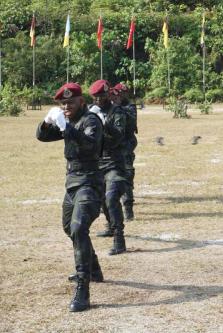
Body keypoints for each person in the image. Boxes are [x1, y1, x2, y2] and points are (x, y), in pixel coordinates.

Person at [36, 83, 104, 312]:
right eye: (63, 103)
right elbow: (43, 137)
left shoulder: (91, 121)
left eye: (71, 102)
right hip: (72, 184)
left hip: (90, 184)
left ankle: (83, 289)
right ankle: (93, 267)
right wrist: (46, 122)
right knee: (69, 227)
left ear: (81, 102)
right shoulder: (68, 119)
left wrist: (68, 129)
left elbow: (91, 147)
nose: (66, 106)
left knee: (78, 228)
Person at [90, 80, 128, 255]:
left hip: (115, 162)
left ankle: (119, 239)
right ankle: (111, 225)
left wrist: (104, 124)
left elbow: (119, 136)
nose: (98, 100)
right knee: (101, 200)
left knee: (111, 197)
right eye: (95, 98)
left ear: (107, 94)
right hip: (97, 162)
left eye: (101, 97)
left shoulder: (117, 112)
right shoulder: (91, 112)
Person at [110, 83, 138, 221]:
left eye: (122, 93)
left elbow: (130, 121)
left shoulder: (130, 107)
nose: (119, 96)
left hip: (126, 144)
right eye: (117, 93)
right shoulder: (110, 106)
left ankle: (128, 209)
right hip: (111, 146)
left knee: (126, 175)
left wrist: (116, 107)